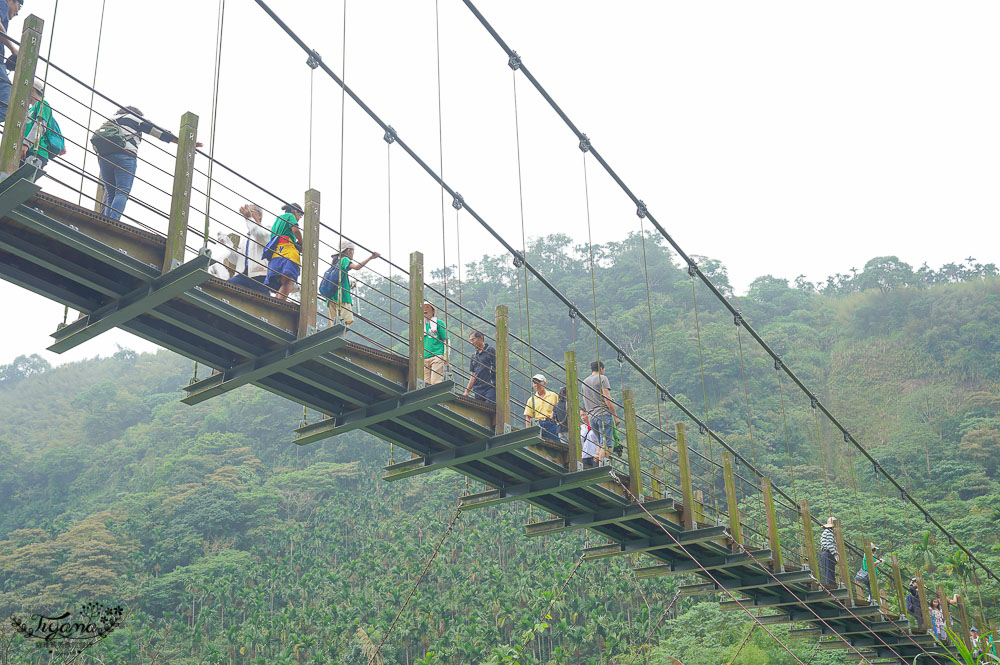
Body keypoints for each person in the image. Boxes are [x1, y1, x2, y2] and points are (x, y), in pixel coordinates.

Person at [91, 106, 200, 221]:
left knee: (111, 194)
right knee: (122, 191)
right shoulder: (133, 117)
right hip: (126, 156)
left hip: (104, 158)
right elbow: (155, 130)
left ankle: (107, 220)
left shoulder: (110, 120)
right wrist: (180, 141)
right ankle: (113, 221)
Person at [325, 242, 379, 325]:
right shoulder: (344, 259)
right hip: (342, 298)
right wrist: (371, 258)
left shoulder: (335, 264)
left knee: (333, 325)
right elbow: (357, 267)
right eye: (353, 252)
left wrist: (350, 284)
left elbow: (339, 281)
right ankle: (342, 338)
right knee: (344, 324)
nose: (353, 255)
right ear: (348, 251)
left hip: (331, 299)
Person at [263, 203, 304, 300]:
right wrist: (302, 244)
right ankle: (280, 303)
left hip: (276, 254)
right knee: (289, 281)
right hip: (287, 253)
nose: (299, 218)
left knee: (281, 283)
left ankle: (277, 301)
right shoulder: (290, 216)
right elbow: (296, 231)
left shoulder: (278, 220)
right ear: (294, 211)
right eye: (300, 216)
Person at [228, 204, 271, 294]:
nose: (247, 215)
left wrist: (249, 218)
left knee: (264, 302)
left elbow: (259, 235)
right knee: (227, 287)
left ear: (259, 215)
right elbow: (237, 260)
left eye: (250, 212)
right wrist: (227, 246)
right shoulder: (246, 237)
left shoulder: (267, 230)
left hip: (260, 275)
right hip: (243, 275)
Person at [22, 80, 64, 169]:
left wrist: (26, 144)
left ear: (32, 89)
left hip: (35, 152)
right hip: (24, 150)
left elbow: (40, 126)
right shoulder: (28, 110)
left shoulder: (43, 104)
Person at [580, 360, 620, 449]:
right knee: (606, 445)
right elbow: (606, 398)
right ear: (601, 369)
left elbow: (585, 400)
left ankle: (601, 462)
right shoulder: (602, 378)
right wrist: (615, 416)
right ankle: (603, 462)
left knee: (601, 444)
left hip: (591, 417)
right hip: (603, 414)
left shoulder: (584, 382)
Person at [0, 0, 23, 120]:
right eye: (19, 6)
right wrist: (13, 48)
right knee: (8, 104)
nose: (18, 12)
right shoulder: (2, 3)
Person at [524, 374, 559, 442]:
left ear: (544, 383)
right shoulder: (531, 400)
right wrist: (527, 431)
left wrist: (553, 414)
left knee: (556, 443)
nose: (536, 385)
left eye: (538, 382)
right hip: (538, 424)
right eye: (534, 383)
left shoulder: (553, 396)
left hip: (551, 423)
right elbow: (528, 417)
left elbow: (559, 409)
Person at [462, 330, 496, 403]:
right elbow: (473, 375)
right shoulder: (474, 356)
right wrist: (467, 391)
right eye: (470, 340)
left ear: (481, 338)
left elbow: (498, 367)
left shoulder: (490, 350)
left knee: (490, 407)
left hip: (490, 387)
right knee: (480, 411)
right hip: (478, 389)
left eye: (473, 340)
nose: (472, 343)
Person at [423, 302, 448, 385]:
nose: (425, 309)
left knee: (435, 382)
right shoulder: (421, 326)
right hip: (424, 358)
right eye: (423, 307)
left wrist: (446, 355)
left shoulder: (439, 323)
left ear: (433, 311)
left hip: (436, 356)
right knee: (425, 384)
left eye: (427, 307)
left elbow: (446, 340)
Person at [819, 517, 838, 587]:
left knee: (828, 570)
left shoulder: (825, 532)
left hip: (824, 553)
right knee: (830, 570)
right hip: (828, 553)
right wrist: (835, 554)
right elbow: (830, 544)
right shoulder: (830, 532)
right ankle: (831, 584)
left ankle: (831, 584)